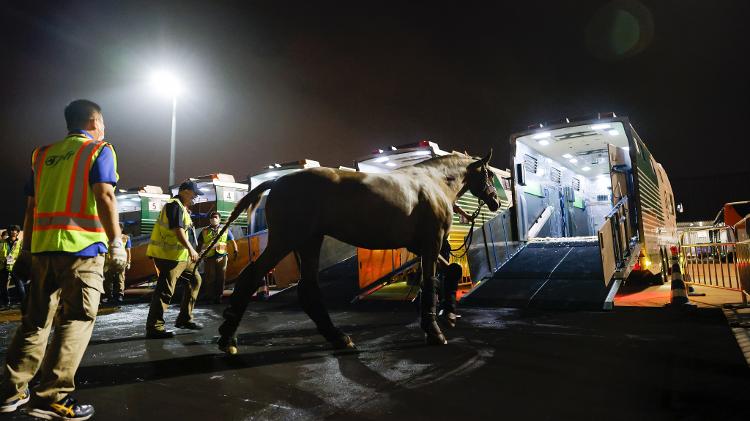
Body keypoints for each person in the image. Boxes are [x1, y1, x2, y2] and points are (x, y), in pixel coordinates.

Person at [0, 99, 126, 420]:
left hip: (43, 251)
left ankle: (10, 392)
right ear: (94, 121)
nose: (104, 129)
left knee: (35, 321)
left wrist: (28, 249)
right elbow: (104, 194)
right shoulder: (99, 150)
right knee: (77, 319)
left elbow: (30, 208)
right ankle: (51, 397)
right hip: (81, 252)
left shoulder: (42, 154)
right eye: (103, 122)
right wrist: (116, 243)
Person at [145, 181, 204, 338]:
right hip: (168, 256)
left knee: (195, 280)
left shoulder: (182, 208)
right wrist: (191, 249)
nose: (196, 197)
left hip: (180, 257)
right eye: (194, 193)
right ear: (185, 191)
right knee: (165, 290)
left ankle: (184, 319)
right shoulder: (174, 205)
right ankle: (154, 327)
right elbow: (177, 230)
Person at [198, 211, 238, 304]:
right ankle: (210, 296)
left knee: (221, 278)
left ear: (219, 219)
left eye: (216, 217)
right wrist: (197, 254)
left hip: (222, 257)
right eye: (212, 217)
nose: (213, 219)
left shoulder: (225, 229)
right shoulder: (204, 231)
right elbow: (199, 244)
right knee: (210, 277)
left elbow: (232, 240)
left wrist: (236, 250)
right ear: (209, 219)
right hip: (209, 257)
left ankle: (218, 297)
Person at [103, 222, 131, 304]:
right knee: (108, 279)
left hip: (120, 261)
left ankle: (118, 296)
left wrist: (129, 262)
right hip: (109, 261)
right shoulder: (108, 236)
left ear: (122, 229)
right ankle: (110, 296)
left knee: (119, 279)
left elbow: (128, 251)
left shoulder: (125, 238)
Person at [0, 225, 25, 308]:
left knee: (19, 285)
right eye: (12, 230)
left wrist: (16, 260)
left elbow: (22, 255)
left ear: (18, 233)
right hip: (3, 266)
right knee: (3, 286)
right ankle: (6, 303)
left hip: (15, 267)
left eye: (15, 230)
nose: (13, 232)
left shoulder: (20, 243)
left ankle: (24, 302)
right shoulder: (2, 242)